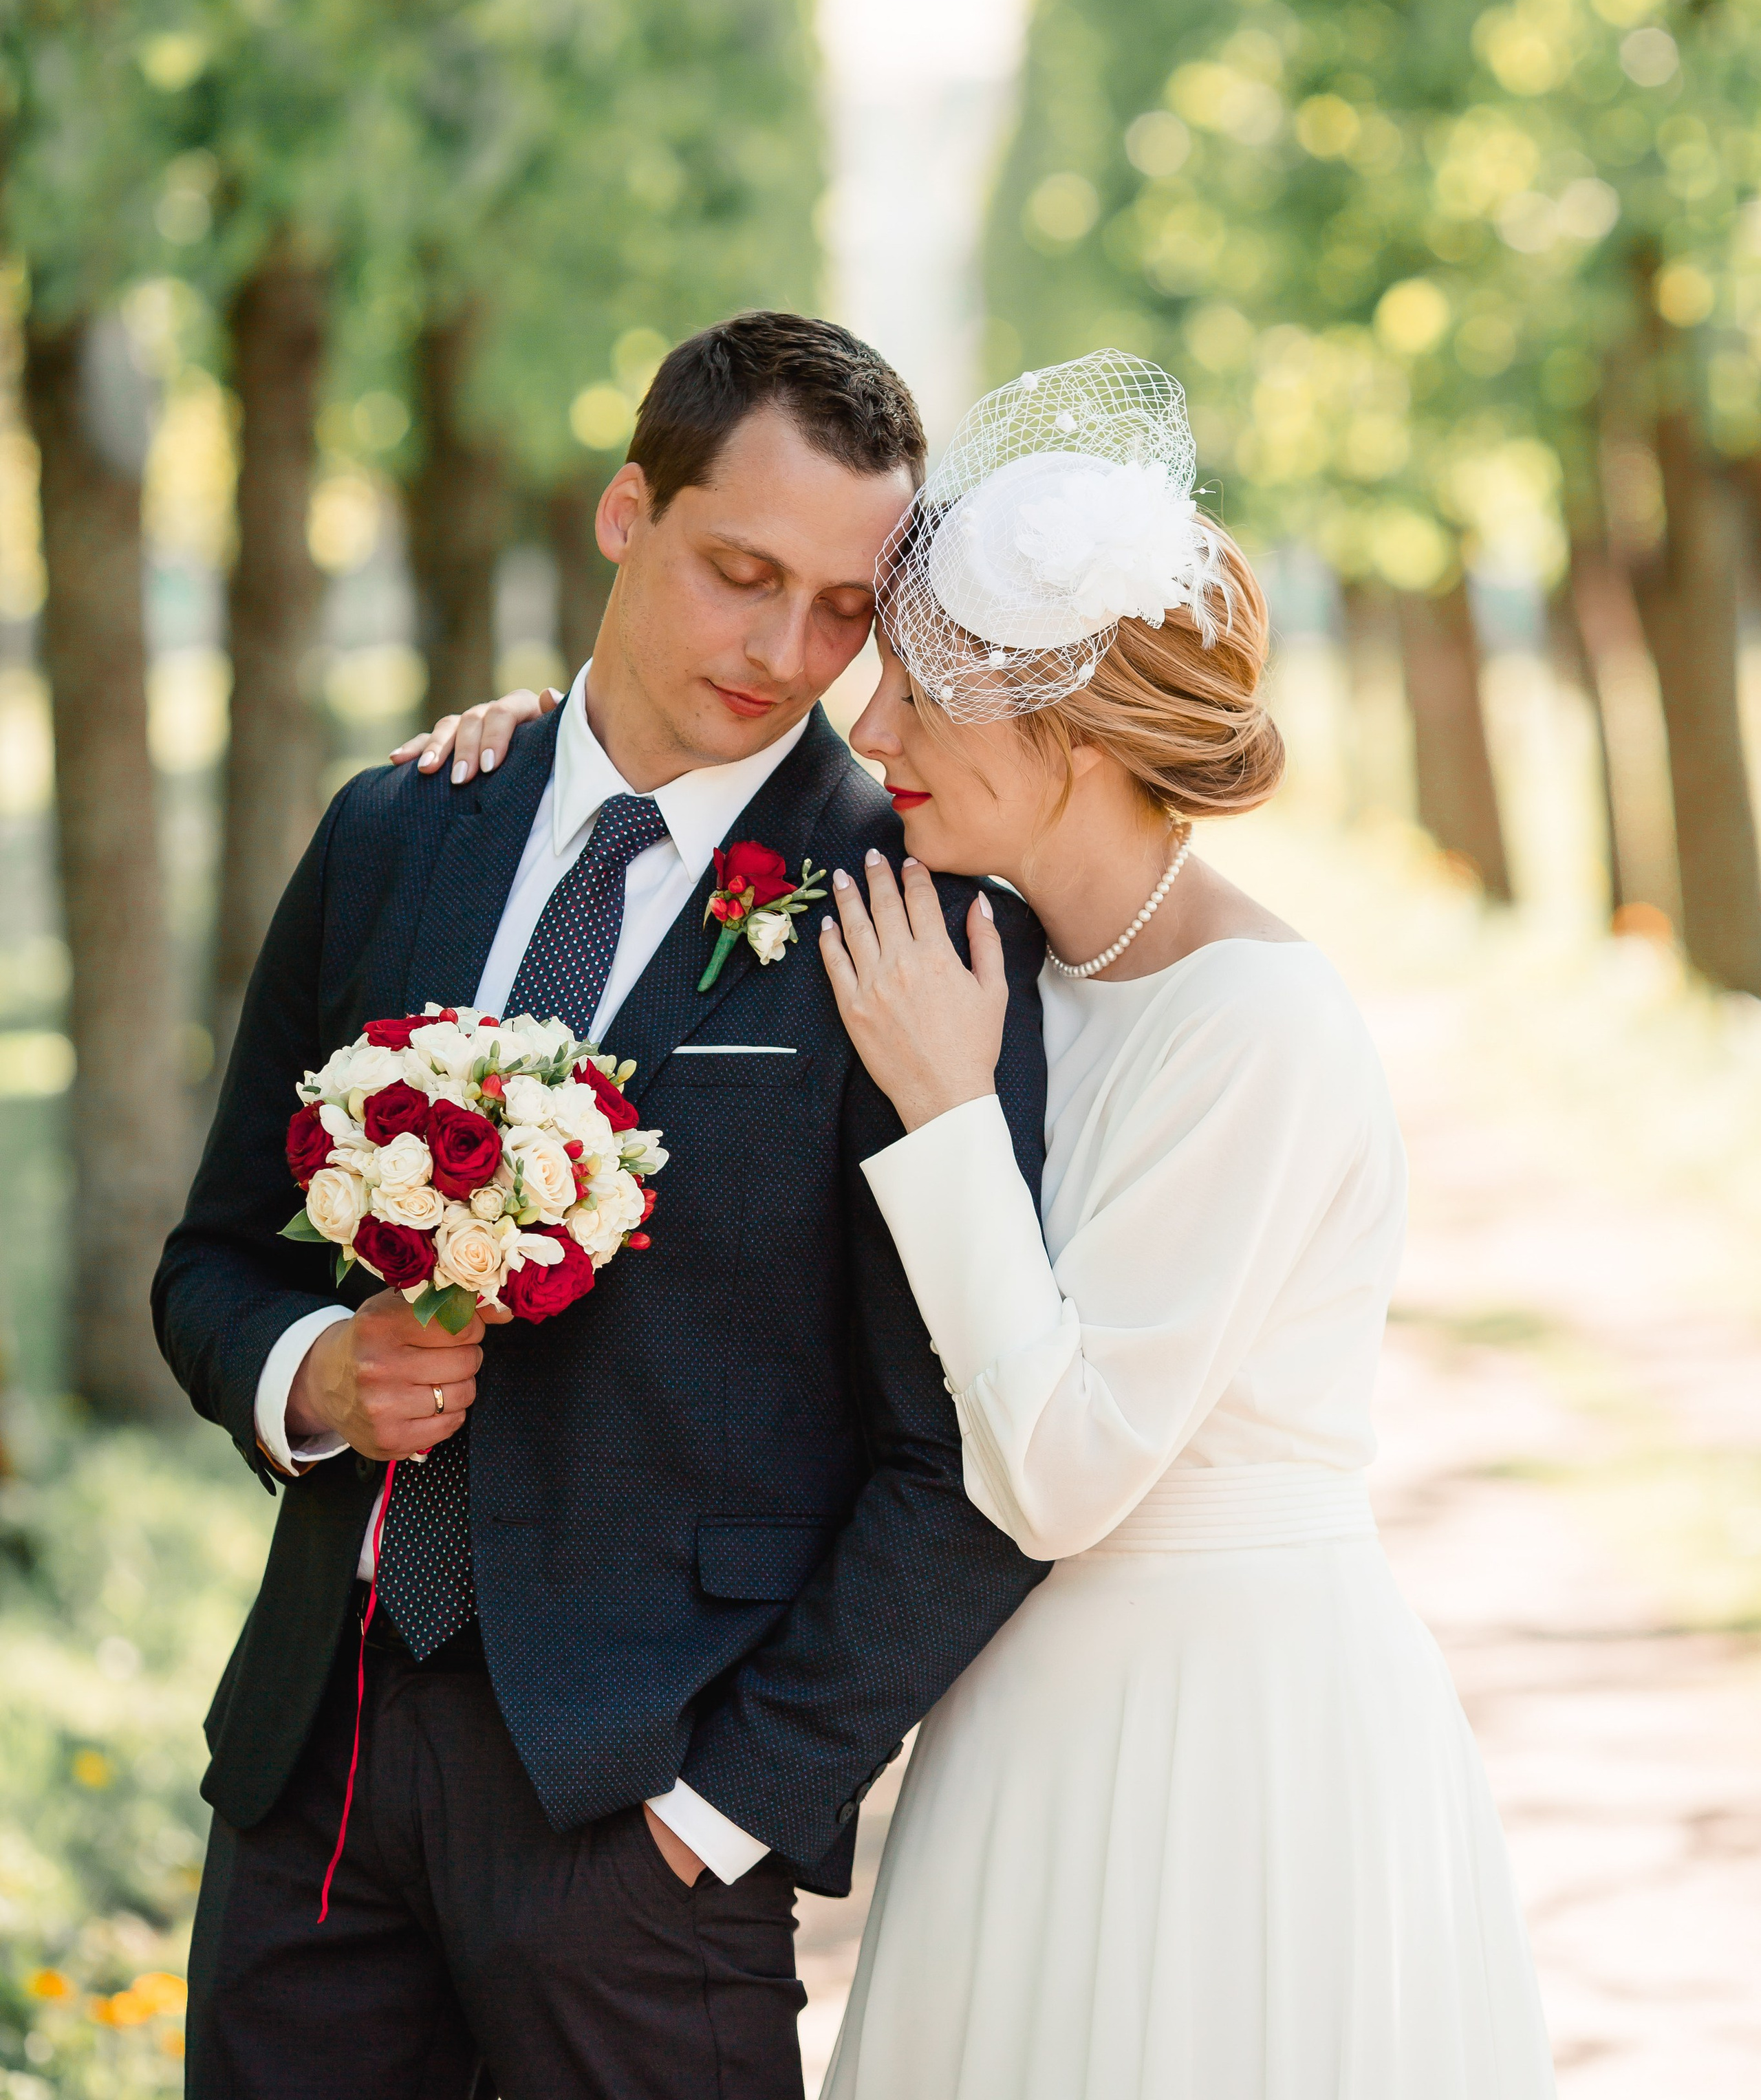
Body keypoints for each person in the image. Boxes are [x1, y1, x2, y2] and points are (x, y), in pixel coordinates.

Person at [413, 349, 1560, 2098]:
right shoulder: (1009, 960)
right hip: (1014, 1720)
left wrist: (949, 1117)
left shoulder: (1251, 1021)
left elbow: (1062, 1468)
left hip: (1224, 1739)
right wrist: (524, 754)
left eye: (919, 699)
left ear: (1072, 734)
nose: (865, 735)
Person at [153, 312, 1050, 2100]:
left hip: (641, 1815)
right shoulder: (399, 831)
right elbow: (215, 1262)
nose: (784, 651)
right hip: (309, 1776)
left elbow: (968, 1443)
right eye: (740, 573)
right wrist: (318, 1377)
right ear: (626, 510)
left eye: (841, 611)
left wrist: (736, 1806)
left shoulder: (911, 914)